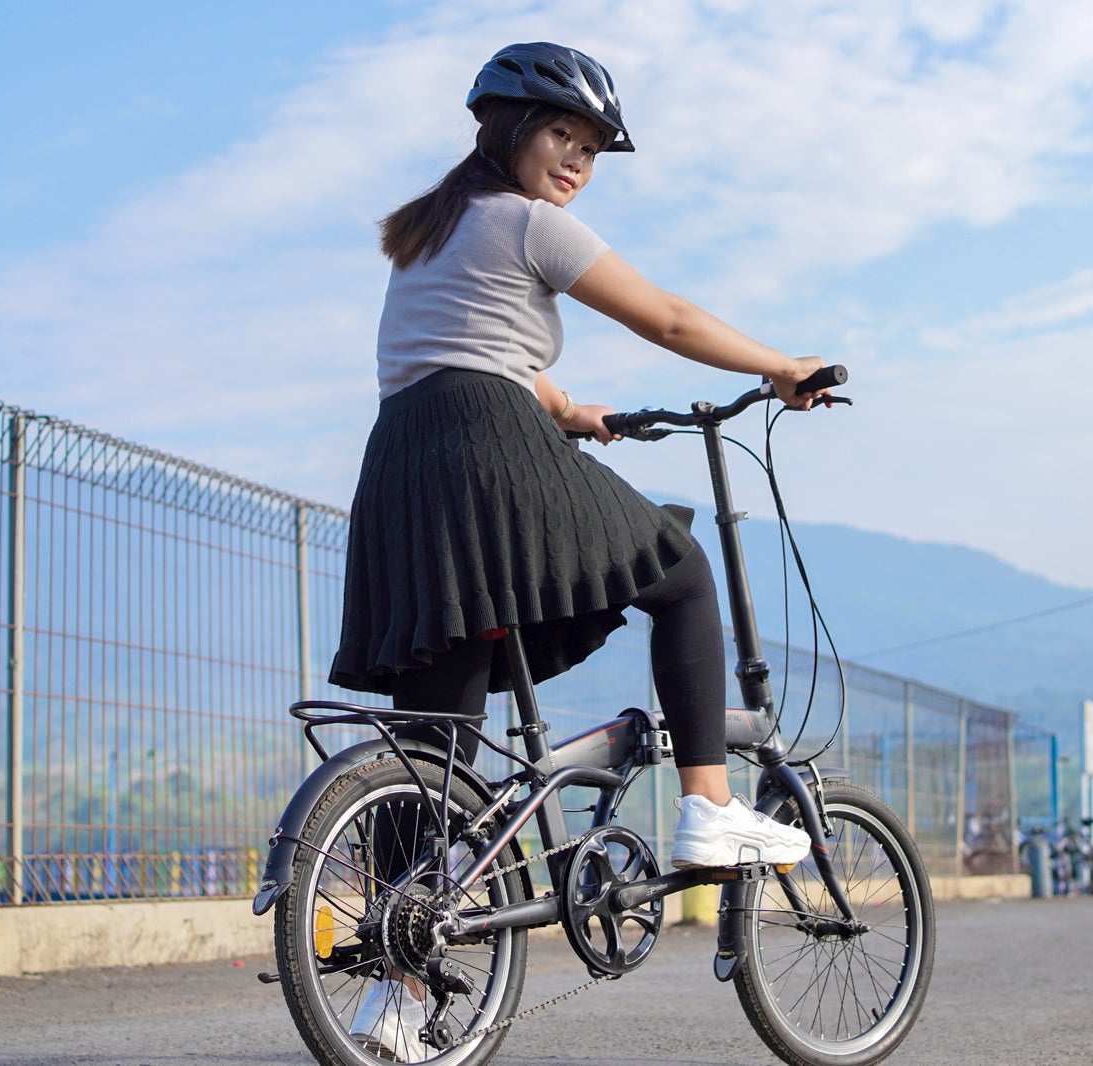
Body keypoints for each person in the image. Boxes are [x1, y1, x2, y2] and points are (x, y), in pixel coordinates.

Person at [332, 42, 826, 1061]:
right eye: (564, 135)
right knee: (681, 576)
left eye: (593, 149)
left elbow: (465, 348)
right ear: (509, 127)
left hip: (405, 463)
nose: (576, 161)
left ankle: (393, 992)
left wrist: (570, 408)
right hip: (483, 447)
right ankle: (708, 808)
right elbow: (671, 319)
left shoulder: (431, 234)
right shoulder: (529, 223)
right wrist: (784, 365)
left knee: (436, 742)